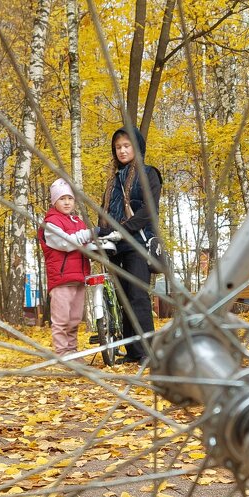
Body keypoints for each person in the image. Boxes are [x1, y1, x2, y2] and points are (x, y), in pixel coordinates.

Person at [98, 126, 161, 365]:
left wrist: (124, 229)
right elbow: (105, 212)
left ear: (137, 147)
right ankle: (133, 352)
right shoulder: (112, 181)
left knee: (137, 295)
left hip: (137, 241)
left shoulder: (149, 174)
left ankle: (147, 351)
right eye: (118, 147)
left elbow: (149, 211)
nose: (122, 151)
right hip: (114, 245)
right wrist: (102, 235)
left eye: (127, 146)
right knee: (122, 297)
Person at [39, 178, 94, 361]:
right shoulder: (51, 223)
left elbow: (87, 243)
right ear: (54, 201)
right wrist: (89, 234)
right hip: (61, 279)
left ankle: (72, 351)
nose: (67, 202)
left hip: (79, 277)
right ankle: (62, 354)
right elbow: (65, 243)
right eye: (62, 199)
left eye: (70, 198)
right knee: (61, 320)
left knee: (75, 319)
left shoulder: (78, 221)